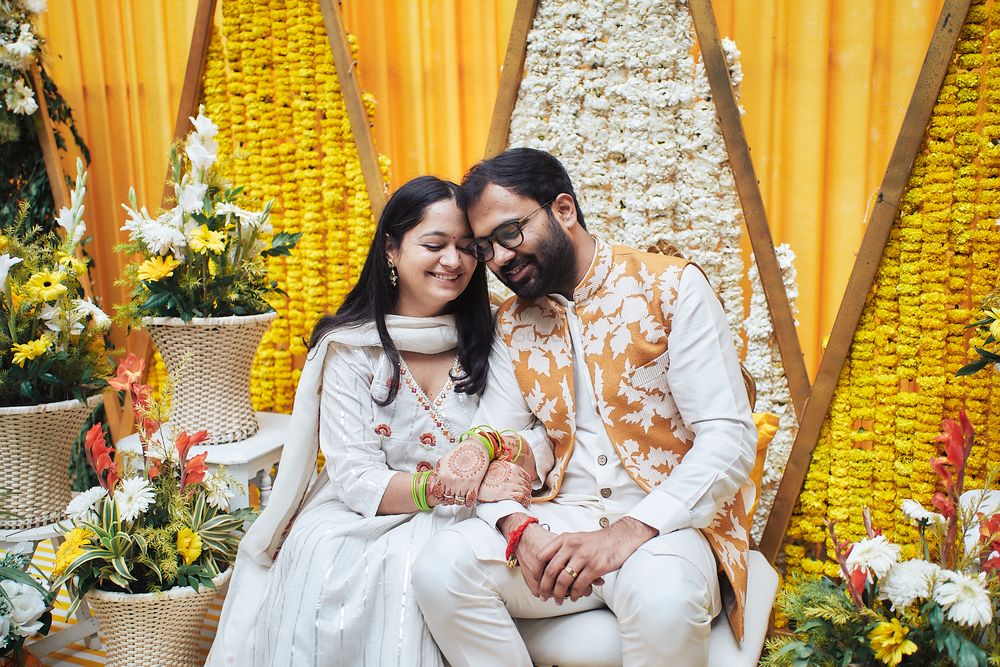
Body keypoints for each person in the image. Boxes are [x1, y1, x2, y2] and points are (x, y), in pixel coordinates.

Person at [412, 148, 758, 666]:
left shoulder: (670, 287)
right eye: (485, 248)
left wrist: (628, 533)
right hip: (559, 523)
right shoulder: (512, 321)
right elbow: (492, 441)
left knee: (663, 600)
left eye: (510, 233)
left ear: (564, 210)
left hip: (666, 524)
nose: (500, 259)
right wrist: (518, 530)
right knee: (440, 567)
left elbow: (728, 439)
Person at [206, 176, 548, 667]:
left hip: (474, 513)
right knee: (343, 562)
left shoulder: (496, 334)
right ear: (391, 248)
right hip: (364, 512)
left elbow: (536, 426)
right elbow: (355, 477)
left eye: (467, 247)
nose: (453, 261)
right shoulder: (351, 348)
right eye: (434, 244)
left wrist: (499, 463)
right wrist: (448, 486)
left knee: (443, 564)